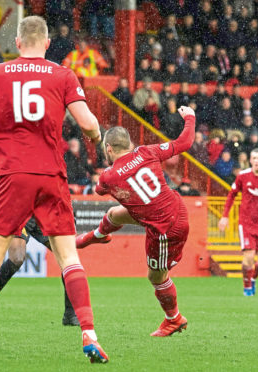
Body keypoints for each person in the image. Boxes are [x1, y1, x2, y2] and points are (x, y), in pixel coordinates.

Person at [0, 16, 107, 364]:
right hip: (51, 175)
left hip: (12, 175)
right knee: (69, 259)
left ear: (18, 42)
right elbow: (87, 124)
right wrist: (97, 137)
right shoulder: (63, 75)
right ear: (46, 43)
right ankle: (89, 335)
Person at [76, 106, 194, 338]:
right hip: (174, 208)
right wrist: (189, 117)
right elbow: (184, 143)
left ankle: (174, 319)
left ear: (108, 149)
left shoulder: (109, 176)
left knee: (156, 276)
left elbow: (100, 190)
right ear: (129, 143)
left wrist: (108, 173)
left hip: (164, 229)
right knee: (115, 214)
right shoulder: (147, 152)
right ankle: (98, 236)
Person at [218, 149, 258, 296]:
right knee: (248, 256)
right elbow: (231, 195)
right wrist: (225, 216)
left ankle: (252, 278)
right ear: (250, 160)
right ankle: (247, 287)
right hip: (246, 223)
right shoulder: (243, 176)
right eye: (254, 158)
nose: (256, 161)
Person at [0, 217, 80, 326]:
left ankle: (70, 314)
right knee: (17, 259)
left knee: (66, 257)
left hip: (43, 215)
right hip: (22, 215)